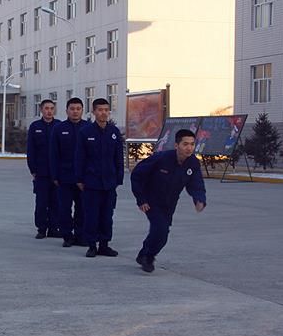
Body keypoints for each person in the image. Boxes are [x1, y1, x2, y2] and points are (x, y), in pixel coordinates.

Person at [130, 128, 206, 273]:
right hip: (151, 200)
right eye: (185, 144)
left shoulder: (193, 163)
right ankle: (148, 257)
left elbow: (196, 183)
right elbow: (137, 175)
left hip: (169, 203)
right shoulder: (161, 158)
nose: (189, 148)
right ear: (177, 145)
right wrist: (141, 199)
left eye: (191, 144)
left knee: (160, 232)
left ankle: (144, 254)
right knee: (161, 231)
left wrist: (199, 199)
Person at [75, 98, 124, 258]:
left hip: (109, 183)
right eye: (100, 110)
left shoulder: (114, 132)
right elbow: (80, 158)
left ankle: (104, 244)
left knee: (107, 215)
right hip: (91, 182)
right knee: (91, 215)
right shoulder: (86, 132)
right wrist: (80, 179)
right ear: (94, 112)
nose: (104, 113)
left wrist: (118, 179)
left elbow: (118, 158)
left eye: (106, 110)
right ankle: (91, 245)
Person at [49, 97, 88, 247]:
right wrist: (55, 175)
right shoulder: (59, 129)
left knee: (82, 208)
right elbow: (54, 154)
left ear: (82, 110)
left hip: (83, 178)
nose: (75, 112)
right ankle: (67, 236)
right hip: (64, 177)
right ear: (67, 111)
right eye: (72, 109)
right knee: (64, 209)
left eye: (78, 109)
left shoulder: (88, 128)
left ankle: (80, 235)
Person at [26, 99, 61, 239]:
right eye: (46, 108)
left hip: (57, 173)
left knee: (56, 202)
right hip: (41, 172)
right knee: (41, 202)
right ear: (41, 110)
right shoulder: (35, 127)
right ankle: (41, 228)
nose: (49, 111)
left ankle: (54, 228)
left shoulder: (59, 126)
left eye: (52, 108)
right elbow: (31, 150)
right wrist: (33, 169)